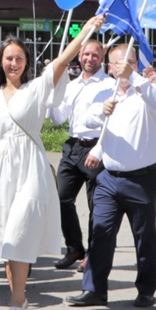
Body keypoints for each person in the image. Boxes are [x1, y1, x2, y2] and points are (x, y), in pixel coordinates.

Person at [0, 19, 104, 310]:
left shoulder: (36, 89)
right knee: (6, 238)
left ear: (27, 62)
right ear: (0, 62)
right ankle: (19, 300)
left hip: (30, 166)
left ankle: (17, 304)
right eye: (8, 58)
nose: (13, 63)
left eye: (19, 58)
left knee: (18, 232)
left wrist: (85, 31)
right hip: (1, 168)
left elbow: (62, 60)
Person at [67, 44, 156, 308]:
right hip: (109, 179)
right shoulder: (107, 94)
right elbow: (87, 120)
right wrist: (102, 112)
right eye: (119, 63)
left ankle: (146, 289)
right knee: (101, 234)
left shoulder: (144, 93)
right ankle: (95, 289)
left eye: (130, 62)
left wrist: (133, 77)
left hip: (141, 179)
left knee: (144, 238)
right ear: (109, 68)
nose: (124, 66)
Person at [47, 40, 107, 269]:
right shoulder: (71, 86)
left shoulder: (108, 85)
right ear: (79, 56)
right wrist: (52, 96)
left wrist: (99, 150)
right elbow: (58, 119)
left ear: (101, 57)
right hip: (72, 148)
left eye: (95, 55)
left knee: (96, 206)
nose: (89, 59)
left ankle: (93, 254)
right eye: (86, 54)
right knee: (60, 199)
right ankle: (74, 249)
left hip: (96, 148)